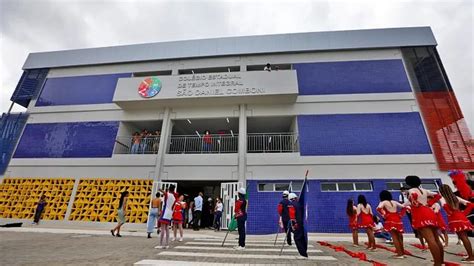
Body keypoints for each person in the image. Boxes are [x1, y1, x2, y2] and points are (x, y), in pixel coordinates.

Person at [404, 175, 444, 266]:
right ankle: (441, 262)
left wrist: (418, 205)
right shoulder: (424, 190)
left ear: (408, 183)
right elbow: (438, 195)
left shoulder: (410, 191)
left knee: (430, 240)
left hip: (421, 213)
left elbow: (414, 201)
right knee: (436, 239)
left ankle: (437, 263)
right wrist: (429, 203)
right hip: (429, 212)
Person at [439, 184, 474, 263]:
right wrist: (464, 214)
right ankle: (470, 254)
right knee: (464, 237)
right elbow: (471, 204)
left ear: (441, 191)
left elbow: (447, 209)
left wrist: (452, 213)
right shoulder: (456, 197)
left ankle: (471, 257)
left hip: (454, 220)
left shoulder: (443, 199)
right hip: (462, 218)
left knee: (463, 237)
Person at [377, 190, 405, 258]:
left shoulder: (383, 202)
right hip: (397, 219)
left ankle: (399, 254)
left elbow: (378, 208)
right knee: (399, 236)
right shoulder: (394, 201)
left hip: (390, 219)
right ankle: (402, 252)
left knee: (394, 237)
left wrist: (384, 215)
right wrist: (400, 215)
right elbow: (404, 207)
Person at [155, 185, 176, 249]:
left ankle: (161, 244)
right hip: (170, 213)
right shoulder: (174, 197)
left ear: (169, 189)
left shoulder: (168, 194)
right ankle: (167, 244)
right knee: (167, 229)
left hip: (165, 212)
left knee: (163, 228)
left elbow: (164, 193)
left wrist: (160, 189)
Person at [288, 192, 308, 259]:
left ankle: (303, 254)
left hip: (296, 224)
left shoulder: (291, 205)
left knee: (297, 239)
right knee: (302, 238)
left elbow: (292, 216)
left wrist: (293, 225)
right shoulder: (300, 204)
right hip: (302, 223)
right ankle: (304, 252)